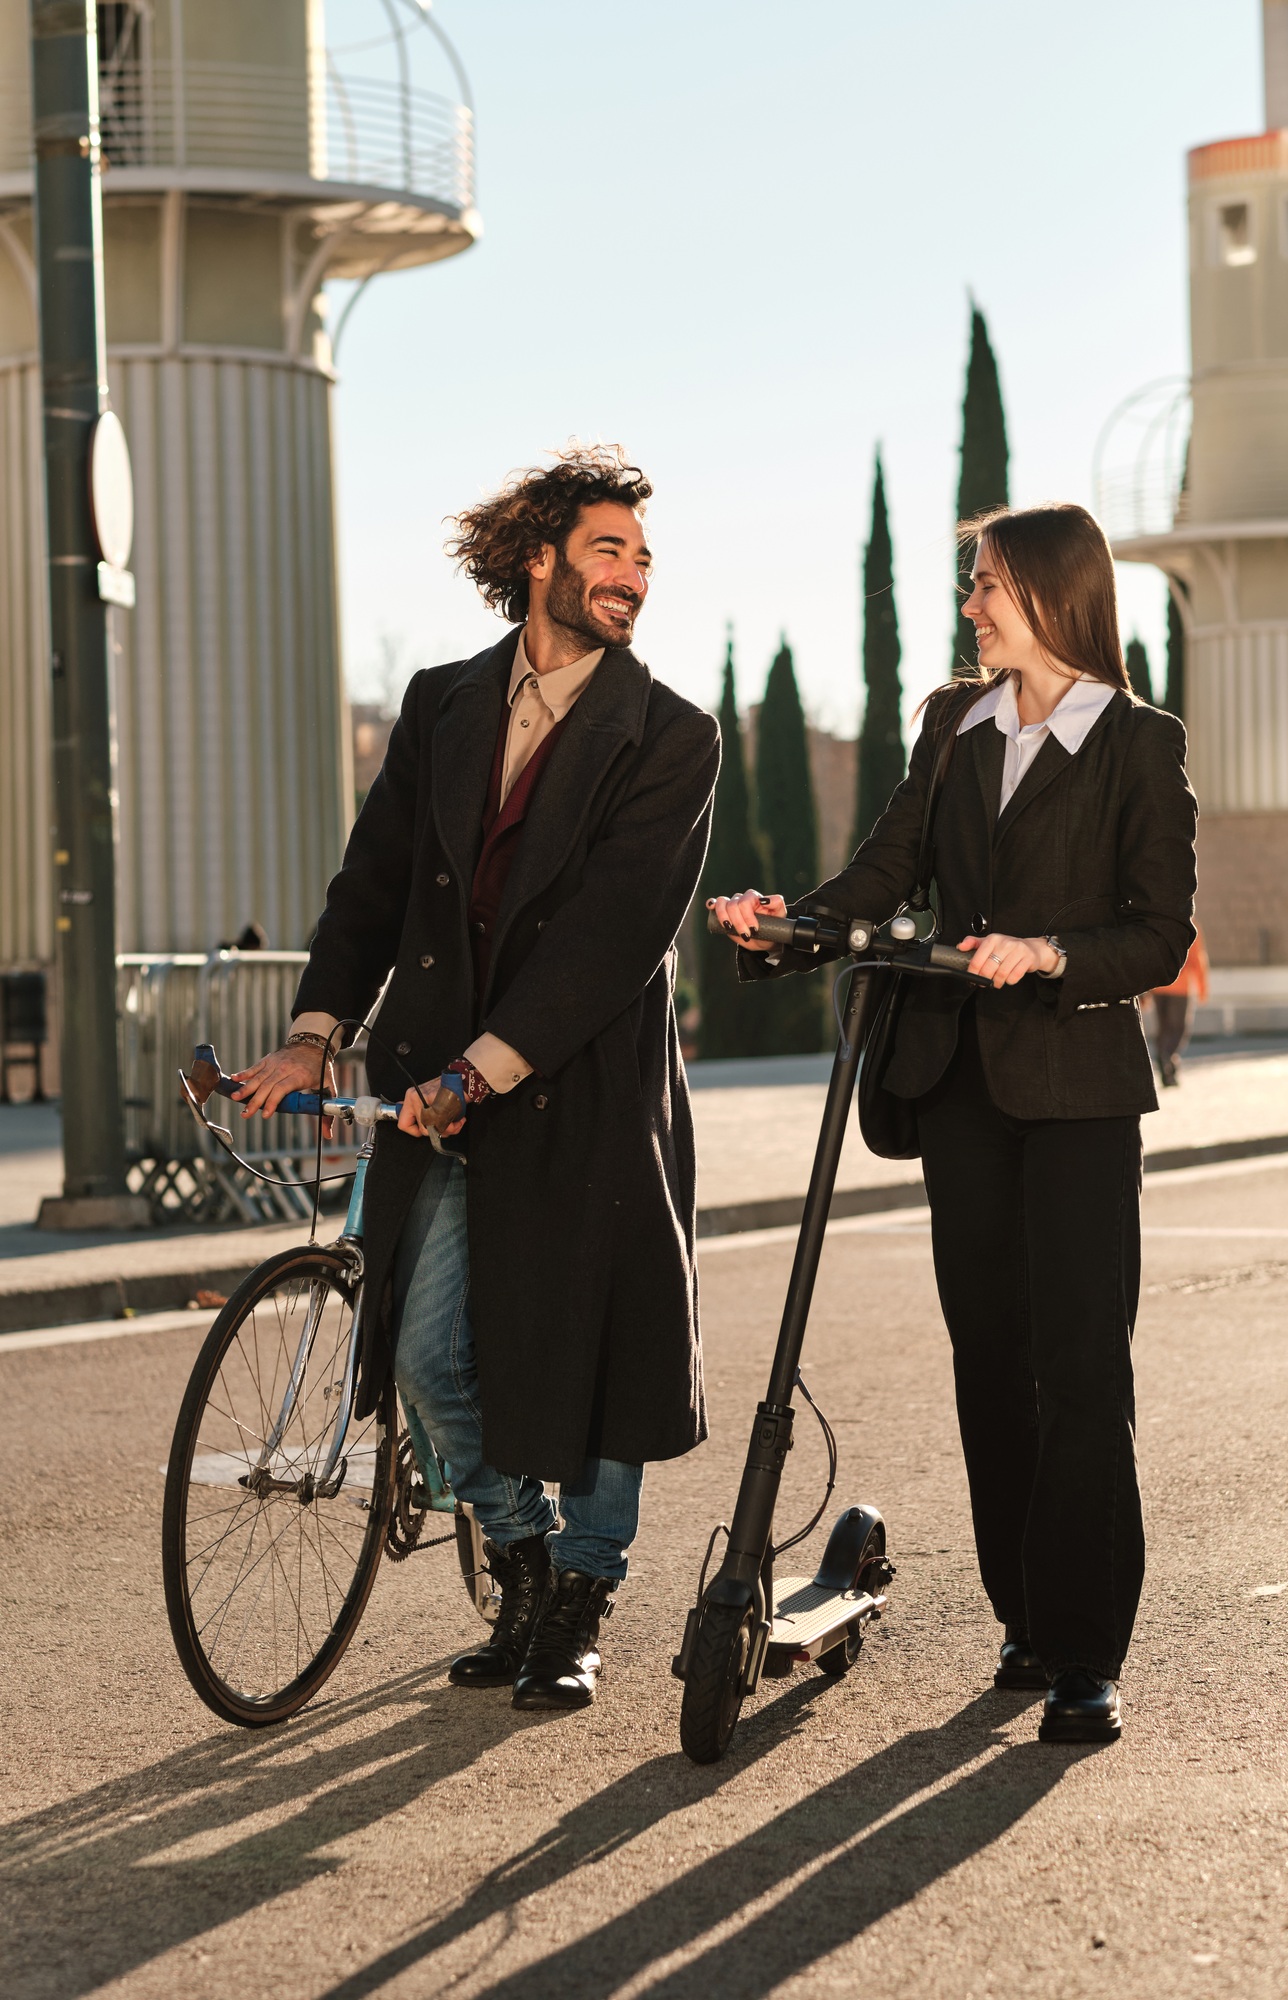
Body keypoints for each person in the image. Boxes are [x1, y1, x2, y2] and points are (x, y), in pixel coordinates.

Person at [235, 444, 720, 1712]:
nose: (633, 574)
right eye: (608, 549)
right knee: (421, 1346)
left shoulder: (671, 735)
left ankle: (581, 1595)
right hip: (427, 1079)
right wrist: (315, 1029)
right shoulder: (443, 702)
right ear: (537, 560)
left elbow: (621, 930)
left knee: (603, 1344)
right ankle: (517, 1555)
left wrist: (483, 1067)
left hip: (579, 1082)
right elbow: (373, 881)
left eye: (644, 555)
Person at [712, 503, 1197, 1745]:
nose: (970, 605)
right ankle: (1027, 1620)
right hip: (963, 1088)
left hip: (1080, 1095)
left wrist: (1047, 952)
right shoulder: (951, 723)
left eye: (984, 583)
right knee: (991, 1360)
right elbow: (887, 869)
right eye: (970, 584)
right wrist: (793, 923)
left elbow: (1156, 932)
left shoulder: (1139, 742)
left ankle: (1089, 1648)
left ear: (1049, 590)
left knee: (1081, 1368)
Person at [1149, 930, 1209, 1086]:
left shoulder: (1157, 921)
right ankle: (1167, 1057)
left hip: (1158, 985)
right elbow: (1197, 957)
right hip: (1180, 987)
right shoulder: (1190, 924)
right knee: (1178, 1028)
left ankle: (1166, 1062)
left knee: (1163, 1027)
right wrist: (1202, 988)